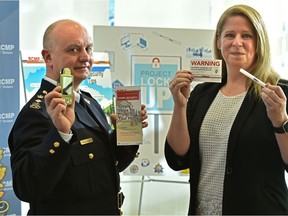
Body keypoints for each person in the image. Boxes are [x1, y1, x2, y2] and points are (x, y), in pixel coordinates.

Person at [8, 19, 148, 215]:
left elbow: (110, 167)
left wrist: (125, 133)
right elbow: (27, 188)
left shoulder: (89, 103)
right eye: (73, 50)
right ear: (48, 57)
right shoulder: (36, 113)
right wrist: (60, 134)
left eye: (88, 48)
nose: (85, 57)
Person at [165, 4, 288, 215]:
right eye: (230, 35)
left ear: (259, 43)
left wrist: (280, 122)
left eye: (246, 36)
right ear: (219, 41)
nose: (237, 43)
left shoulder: (280, 92)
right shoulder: (203, 93)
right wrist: (179, 105)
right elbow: (179, 157)